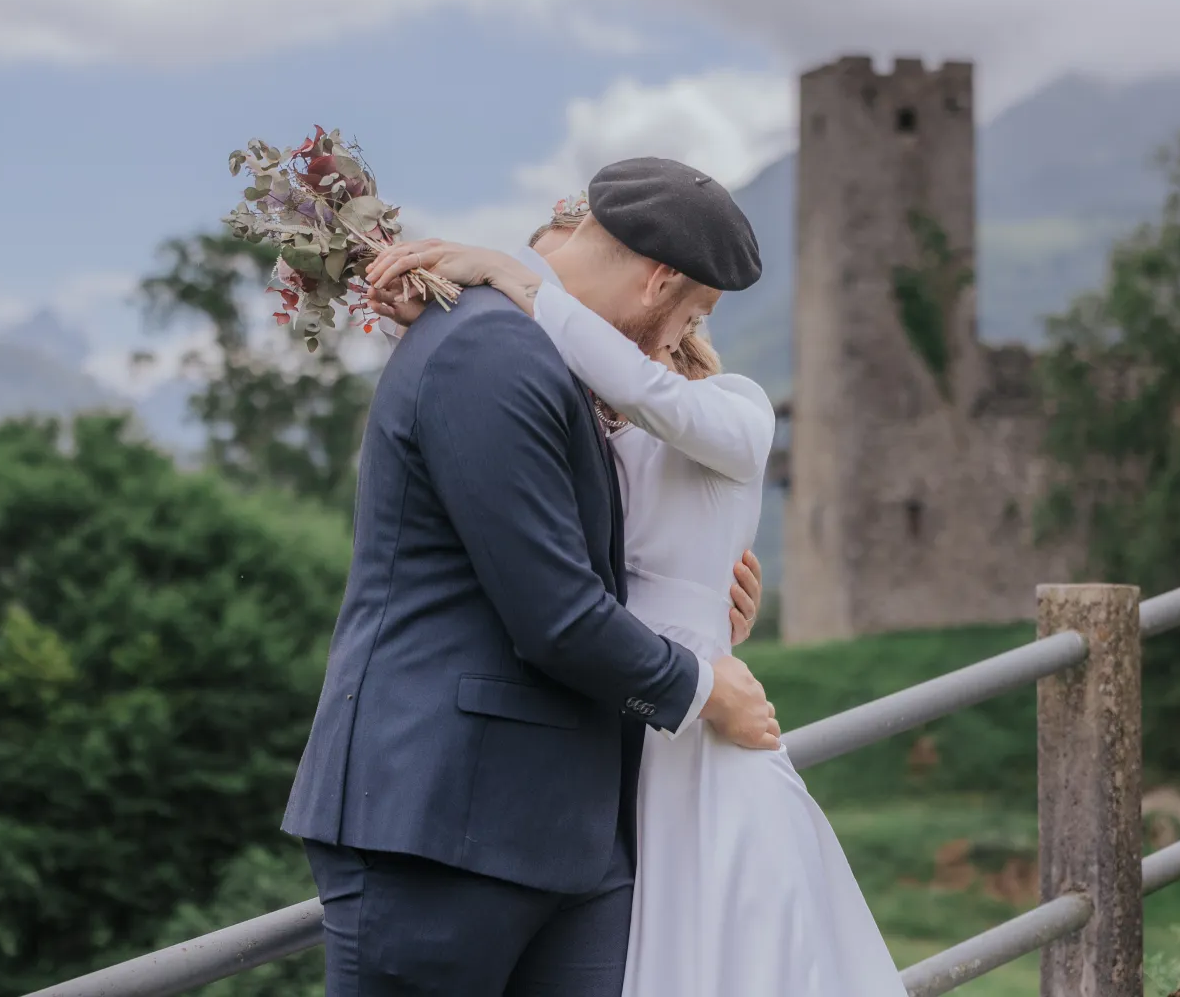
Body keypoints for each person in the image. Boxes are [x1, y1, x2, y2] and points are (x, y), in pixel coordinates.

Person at [367, 189, 908, 997]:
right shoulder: (592, 432)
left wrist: (506, 275)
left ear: (662, 295)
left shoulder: (737, 410)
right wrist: (446, 305)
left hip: (695, 738)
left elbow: (645, 395)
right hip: (616, 749)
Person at [281, 157, 782, 996]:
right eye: (688, 313)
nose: (675, 343)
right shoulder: (489, 349)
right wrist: (703, 687)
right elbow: (554, 611)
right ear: (658, 281)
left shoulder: (539, 349)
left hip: (566, 827)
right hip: (440, 817)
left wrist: (703, 602)